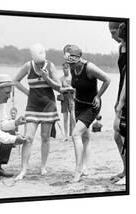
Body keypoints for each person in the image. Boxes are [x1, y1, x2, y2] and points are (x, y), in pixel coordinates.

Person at [63, 44, 111, 182]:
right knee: (85, 137)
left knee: (75, 133)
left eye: (72, 63)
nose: (70, 67)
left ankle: (77, 170)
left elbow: (107, 79)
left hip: (92, 106)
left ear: (79, 59)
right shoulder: (72, 69)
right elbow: (77, 85)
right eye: (68, 64)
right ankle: (85, 168)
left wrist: (98, 96)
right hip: (78, 104)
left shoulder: (89, 68)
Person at [13, 43, 61, 180]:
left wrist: (47, 78)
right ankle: (23, 170)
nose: (39, 65)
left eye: (41, 63)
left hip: (48, 107)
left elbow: (59, 87)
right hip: (32, 107)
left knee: (45, 138)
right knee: (28, 138)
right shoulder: (28, 66)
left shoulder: (50, 66)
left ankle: (43, 166)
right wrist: (27, 92)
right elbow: (15, 81)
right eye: (37, 63)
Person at [109, 22, 127, 184]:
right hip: (122, 93)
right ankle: (126, 169)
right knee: (118, 134)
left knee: (121, 132)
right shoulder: (121, 48)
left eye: (114, 32)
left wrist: (121, 102)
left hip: (127, 96)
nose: (112, 36)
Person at [58, 62, 76, 140]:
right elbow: (60, 89)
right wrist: (68, 88)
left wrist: (71, 89)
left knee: (73, 117)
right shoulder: (61, 78)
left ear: (69, 68)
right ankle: (66, 136)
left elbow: (75, 88)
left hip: (72, 97)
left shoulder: (72, 77)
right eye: (63, 68)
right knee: (65, 118)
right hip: (64, 98)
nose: (65, 70)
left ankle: (75, 134)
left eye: (66, 68)